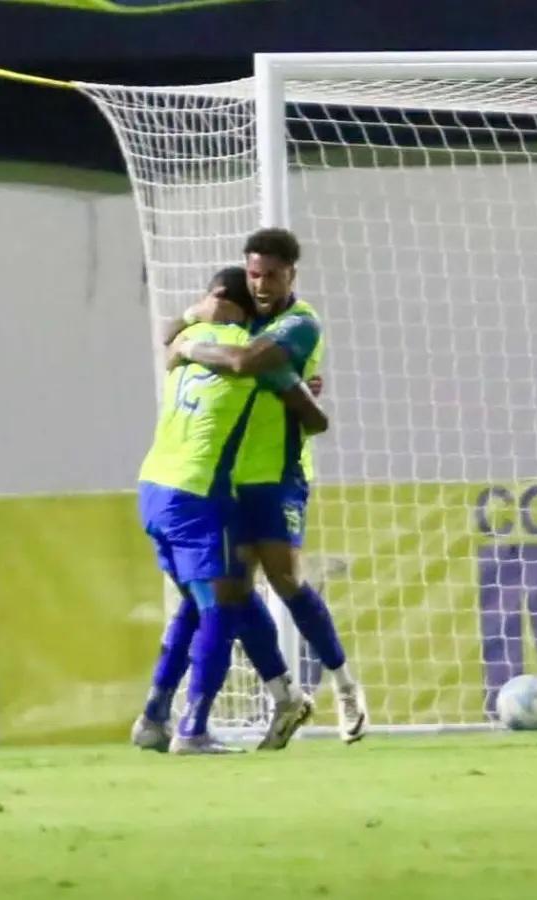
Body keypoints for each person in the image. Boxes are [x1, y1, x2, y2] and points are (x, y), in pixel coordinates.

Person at [176, 228, 369, 744]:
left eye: (273, 276)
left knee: (285, 581)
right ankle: (284, 696)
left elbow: (244, 362)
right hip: (228, 476)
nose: (261, 285)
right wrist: (196, 316)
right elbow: (167, 338)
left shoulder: (300, 324)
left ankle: (346, 686)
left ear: (292, 276)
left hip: (279, 475)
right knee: (232, 592)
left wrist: (193, 343)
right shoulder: (240, 312)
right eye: (255, 274)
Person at [130, 266, 324, 754]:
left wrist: (190, 327)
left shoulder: (188, 335)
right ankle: (193, 728)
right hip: (199, 493)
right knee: (221, 606)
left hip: (153, 487)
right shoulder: (245, 353)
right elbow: (309, 415)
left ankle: (154, 716)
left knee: (204, 601)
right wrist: (304, 389)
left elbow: (168, 334)